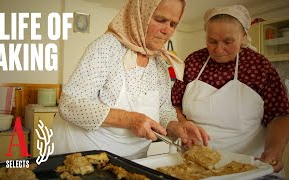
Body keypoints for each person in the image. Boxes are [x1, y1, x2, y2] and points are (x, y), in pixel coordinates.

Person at [52, 0, 208, 160]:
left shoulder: (160, 63)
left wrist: (177, 127)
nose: (167, 30)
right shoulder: (107, 47)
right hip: (85, 153)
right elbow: (69, 105)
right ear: (139, 17)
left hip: (133, 160)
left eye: (173, 24)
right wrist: (129, 119)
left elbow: (164, 110)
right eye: (160, 20)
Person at [171, 5, 289, 173]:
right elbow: (173, 105)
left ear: (243, 37)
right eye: (212, 41)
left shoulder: (258, 66)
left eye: (228, 41)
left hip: (247, 165)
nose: (218, 50)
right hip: (194, 163)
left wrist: (274, 150)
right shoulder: (193, 61)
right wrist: (182, 125)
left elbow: (279, 115)